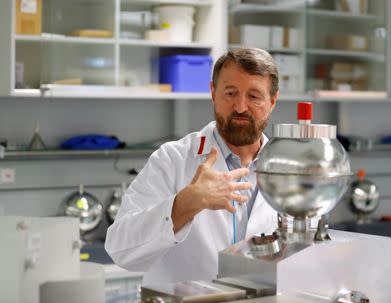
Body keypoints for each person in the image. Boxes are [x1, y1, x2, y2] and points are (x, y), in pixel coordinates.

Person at [105, 47, 280, 286]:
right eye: (230, 93)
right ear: (213, 92)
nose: (240, 107)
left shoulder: (286, 169)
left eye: (254, 96)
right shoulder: (173, 160)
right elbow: (120, 249)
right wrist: (186, 203)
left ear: (272, 101)